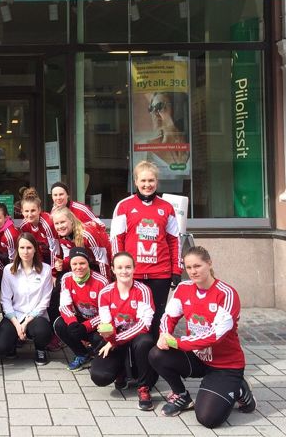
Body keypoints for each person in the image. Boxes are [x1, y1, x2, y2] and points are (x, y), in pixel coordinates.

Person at [148, 246, 256, 427]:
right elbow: (168, 316)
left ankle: (239, 388)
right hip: (198, 358)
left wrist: (178, 342)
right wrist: (164, 335)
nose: (193, 271)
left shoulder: (226, 293)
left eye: (197, 266)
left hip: (225, 365)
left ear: (209, 263)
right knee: (156, 353)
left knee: (208, 419)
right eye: (188, 267)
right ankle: (181, 396)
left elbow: (215, 335)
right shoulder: (183, 288)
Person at [110, 160, 182, 341]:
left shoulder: (166, 207)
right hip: (133, 273)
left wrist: (176, 270)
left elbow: (174, 241)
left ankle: (155, 354)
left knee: (157, 318)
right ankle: (135, 353)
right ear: (135, 181)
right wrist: (119, 268)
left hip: (160, 273)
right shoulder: (124, 206)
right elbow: (116, 239)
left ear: (157, 181)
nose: (147, 185)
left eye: (151, 180)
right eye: (143, 180)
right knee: (134, 317)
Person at [89, 251, 157, 411]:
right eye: (119, 267)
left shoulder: (143, 290)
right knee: (100, 376)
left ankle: (144, 388)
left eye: (128, 267)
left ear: (134, 268)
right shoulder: (105, 292)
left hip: (136, 338)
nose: (124, 271)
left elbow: (143, 325)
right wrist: (108, 336)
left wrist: (115, 341)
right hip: (116, 338)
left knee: (145, 341)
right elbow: (107, 323)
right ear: (113, 269)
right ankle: (121, 371)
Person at [0, 233, 53, 366]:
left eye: (29, 248)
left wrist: (25, 323)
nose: (25, 252)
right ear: (17, 249)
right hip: (15, 315)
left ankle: (40, 349)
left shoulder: (46, 270)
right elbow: (5, 300)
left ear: (35, 249)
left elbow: (45, 301)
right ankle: (13, 344)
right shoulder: (8, 270)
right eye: (22, 248)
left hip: (36, 316)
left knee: (42, 331)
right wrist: (17, 324)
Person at [54, 247, 108, 371]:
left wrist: (86, 326)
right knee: (60, 324)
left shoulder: (101, 282)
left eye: (82, 263)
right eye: (74, 264)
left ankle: (96, 354)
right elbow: (64, 305)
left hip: (97, 323)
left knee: (99, 338)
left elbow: (106, 314)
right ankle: (82, 354)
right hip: (79, 319)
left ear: (88, 263)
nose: (78, 267)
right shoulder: (66, 278)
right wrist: (72, 323)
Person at [51, 207, 111, 281]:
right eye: (57, 223)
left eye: (63, 222)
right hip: (89, 263)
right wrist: (63, 264)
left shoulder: (87, 235)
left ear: (71, 221)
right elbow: (69, 257)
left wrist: (105, 283)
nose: (60, 226)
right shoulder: (61, 236)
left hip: (108, 262)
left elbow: (103, 261)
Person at [146, 92, 189, 167]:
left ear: (176, 109)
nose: (154, 113)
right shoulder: (147, 148)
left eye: (159, 106)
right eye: (151, 108)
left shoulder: (191, 141)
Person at [19, 187, 59, 268]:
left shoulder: (48, 224)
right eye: (26, 211)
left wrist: (53, 271)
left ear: (39, 210)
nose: (30, 214)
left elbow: (55, 250)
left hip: (56, 258)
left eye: (33, 210)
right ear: (22, 212)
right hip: (39, 257)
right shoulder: (23, 226)